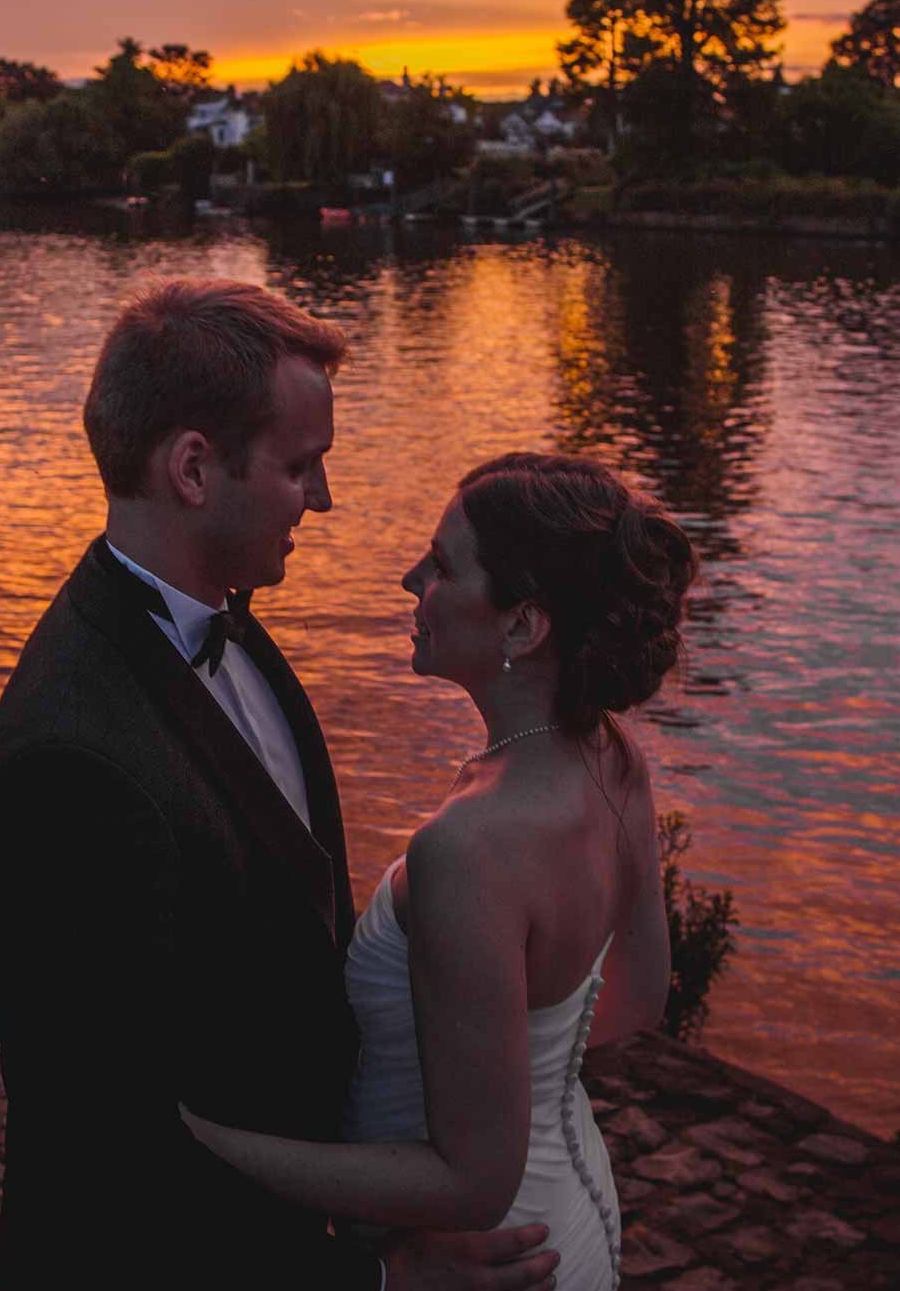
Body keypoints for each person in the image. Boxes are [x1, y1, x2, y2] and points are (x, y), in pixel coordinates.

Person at [0, 280, 561, 1291]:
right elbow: (122, 1154)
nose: (321, 501)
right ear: (194, 467)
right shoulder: (67, 771)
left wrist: (370, 1218)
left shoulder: (227, 626)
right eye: (299, 467)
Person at [182, 452, 693, 1291]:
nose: (410, 577)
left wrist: (217, 1145)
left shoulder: (469, 848)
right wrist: (502, 1061)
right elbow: (640, 998)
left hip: (483, 1257)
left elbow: (473, 1180)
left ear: (522, 627)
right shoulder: (613, 757)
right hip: (577, 1212)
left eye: (444, 566)